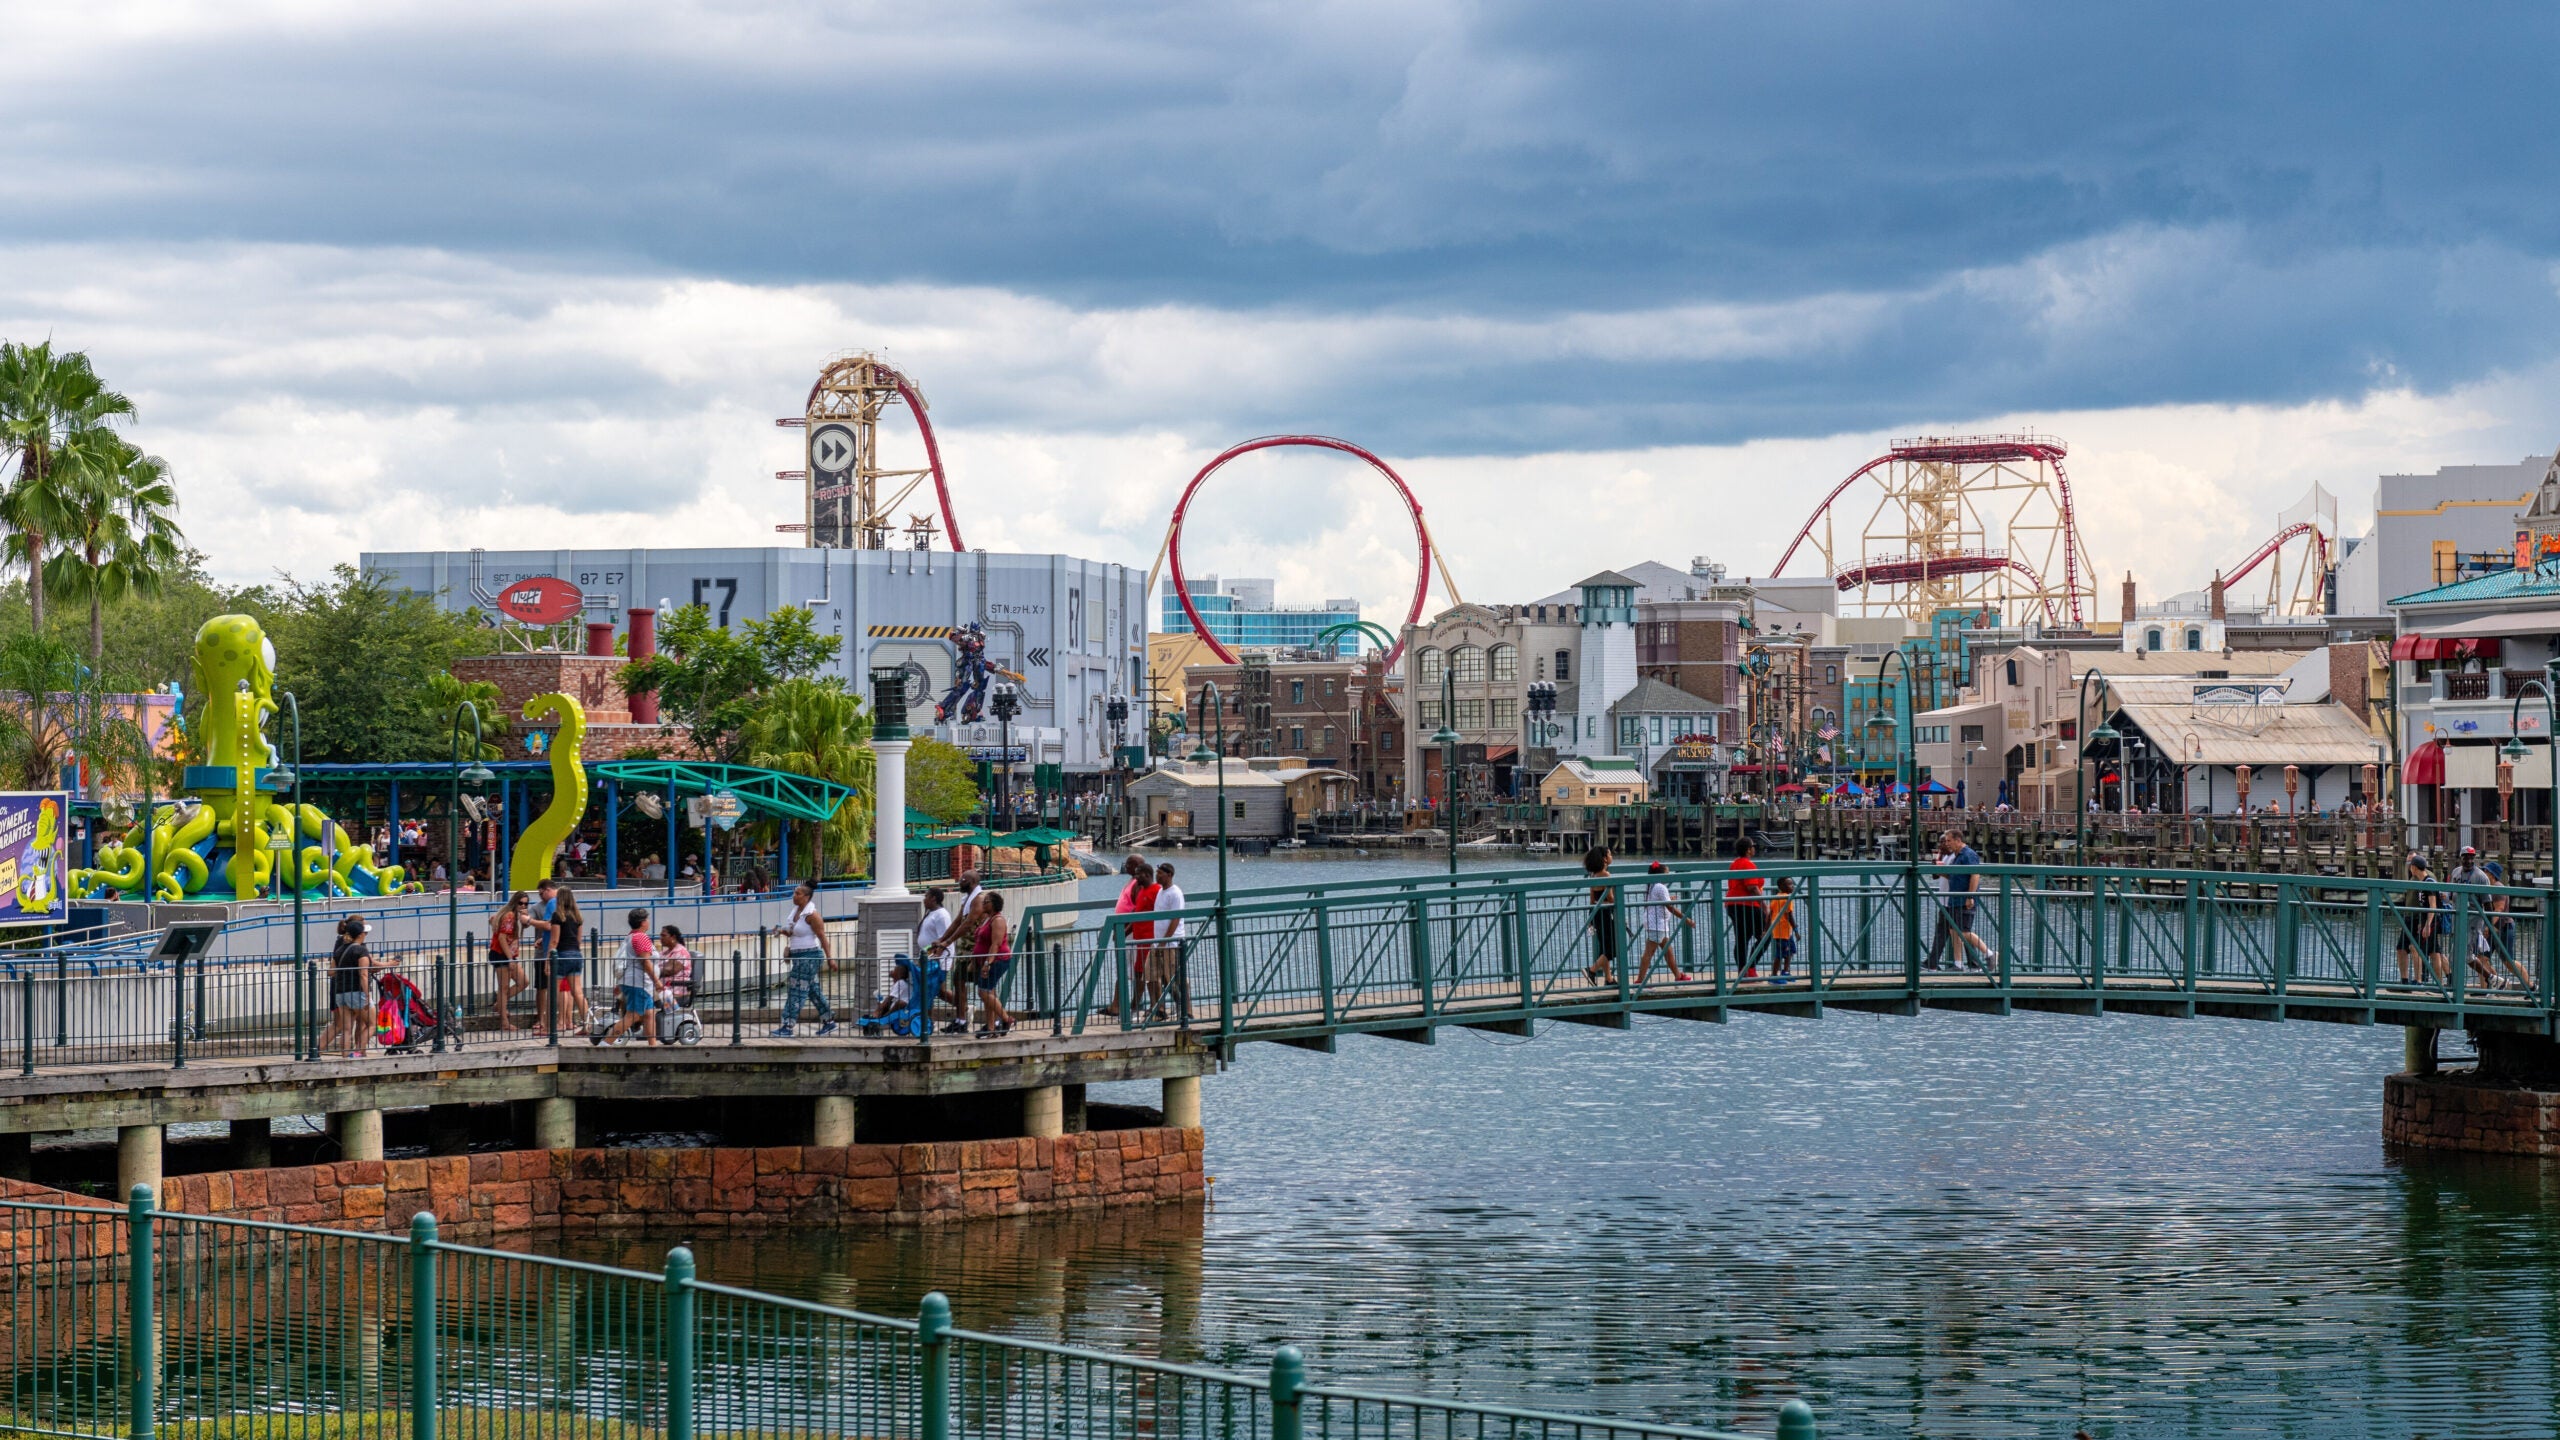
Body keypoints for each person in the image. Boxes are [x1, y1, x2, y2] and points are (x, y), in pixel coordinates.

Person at [771, 880, 839, 1036]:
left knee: (796, 989)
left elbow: (822, 937)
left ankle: (788, 1026)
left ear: (807, 897)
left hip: (810, 956)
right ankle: (829, 1021)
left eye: (798, 893)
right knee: (812, 990)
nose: (794, 896)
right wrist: (781, 931)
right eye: (795, 893)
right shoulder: (796, 912)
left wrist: (830, 959)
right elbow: (793, 931)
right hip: (799, 955)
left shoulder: (812, 915)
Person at [1924, 830, 1985, 971]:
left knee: (1961, 931)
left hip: (1957, 899)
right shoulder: (1949, 856)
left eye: (1947, 841)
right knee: (1952, 931)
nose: (1944, 844)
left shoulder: (1963, 855)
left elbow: (1974, 875)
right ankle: (1949, 963)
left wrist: (1970, 896)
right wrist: (1937, 869)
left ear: (1957, 840)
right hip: (1950, 900)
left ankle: (1984, 957)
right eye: (1943, 842)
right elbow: (1947, 876)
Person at [598, 909, 659, 1045]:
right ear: (643, 922)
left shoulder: (630, 937)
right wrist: (657, 981)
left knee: (649, 1014)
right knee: (633, 1015)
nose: (648, 922)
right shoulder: (641, 937)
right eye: (647, 920)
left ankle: (653, 1046)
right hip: (639, 983)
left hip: (634, 982)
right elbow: (645, 962)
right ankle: (605, 1044)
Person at [319, 915, 375, 1058]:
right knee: (372, 1024)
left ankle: (345, 1055)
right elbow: (363, 974)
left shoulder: (340, 950)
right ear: (361, 934)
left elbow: (331, 972)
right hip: (357, 991)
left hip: (341, 992)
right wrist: (367, 995)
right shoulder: (361, 951)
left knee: (346, 1029)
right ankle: (359, 1052)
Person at [1632, 861, 1691, 986]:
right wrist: (1686, 919)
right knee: (1649, 952)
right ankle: (1640, 980)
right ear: (1660, 874)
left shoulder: (1652, 885)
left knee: (1668, 951)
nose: (1669, 876)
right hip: (1657, 925)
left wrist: (1670, 899)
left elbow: (1661, 901)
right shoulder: (1661, 887)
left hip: (1658, 923)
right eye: (1667, 873)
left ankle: (1678, 975)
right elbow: (1669, 907)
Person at [2395, 854, 2444, 985]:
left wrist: (2427, 924)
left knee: (2418, 948)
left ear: (2414, 867)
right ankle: (2438, 983)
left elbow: (2433, 905)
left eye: (2410, 865)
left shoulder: (2429, 881)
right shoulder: (2421, 881)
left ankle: (2420, 980)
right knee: (2434, 951)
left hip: (2432, 921)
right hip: (2424, 920)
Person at [971, 893, 1015, 1038]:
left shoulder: (998, 920)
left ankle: (1007, 1019)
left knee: (983, 992)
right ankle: (991, 1028)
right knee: (989, 992)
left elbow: (995, 944)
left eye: (987, 902)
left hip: (997, 960)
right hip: (986, 961)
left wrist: (987, 963)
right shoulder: (987, 920)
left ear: (994, 904)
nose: (983, 904)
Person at [1149, 863, 1188, 1021]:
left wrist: (1165, 941)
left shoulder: (1175, 893)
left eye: (1160, 874)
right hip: (1157, 942)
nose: (1157, 876)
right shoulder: (1160, 891)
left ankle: (1184, 1009)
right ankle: (1160, 1009)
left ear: (1169, 875)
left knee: (1171, 978)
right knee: (1152, 975)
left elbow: (1175, 919)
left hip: (1170, 944)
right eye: (1156, 873)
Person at [1724, 837, 1766, 977]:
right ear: (1748, 850)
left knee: (1742, 938)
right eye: (1753, 846)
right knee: (1765, 934)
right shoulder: (1748, 864)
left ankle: (1743, 970)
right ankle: (1751, 967)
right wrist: (1764, 906)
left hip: (1732, 904)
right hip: (1748, 905)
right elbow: (1752, 887)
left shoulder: (1734, 864)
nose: (1754, 848)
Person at [488, 892, 529, 1031]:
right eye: (520, 903)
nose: (523, 906)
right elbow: (502, 938)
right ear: (515, 903)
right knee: (504, 986)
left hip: (506, 954)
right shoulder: (510, 916)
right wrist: (510, 958)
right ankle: (504, 1022)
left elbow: (492, 919)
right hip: (501, 954)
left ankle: (500, 1004)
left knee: (523, 982)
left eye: (525, 903)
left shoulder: (512, 916)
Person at [551, 887, 590, 1030]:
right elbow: (579, 940)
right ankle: (588, 1025)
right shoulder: (577, 917)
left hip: (561, 955)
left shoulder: (557, 916)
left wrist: (549, 960)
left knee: (554, 990)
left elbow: (554, 941)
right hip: (576, 954)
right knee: (578, 992)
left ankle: (553, 1026)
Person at [1582, 846, 1618, 985]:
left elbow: (1592, 900)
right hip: (1605, 913)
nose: (1611, 856)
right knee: (1612, 950)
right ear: (1604, 858)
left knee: (1605, 947)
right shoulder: (1606, 875)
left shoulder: (1594, 875)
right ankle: (1591, 970)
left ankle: (1608, 978)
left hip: (1595, 913)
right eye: (1609, 854)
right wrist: (1618, 901)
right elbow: (1610, 897)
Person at [1768, 877, 1799, 979]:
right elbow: (1789, 915)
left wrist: (1766, 929)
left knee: (1789, 951)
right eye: (1789, 884)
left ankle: (1785, 971)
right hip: (1783, 931)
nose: (1792, 886)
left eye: (1792, 884)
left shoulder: (1776, 897)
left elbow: (1770, 914)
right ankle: (1774, 975)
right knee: (1780, 954)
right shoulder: (1787, 898)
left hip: (1781, 930)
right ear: (1781, 887)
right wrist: (1796, 930)